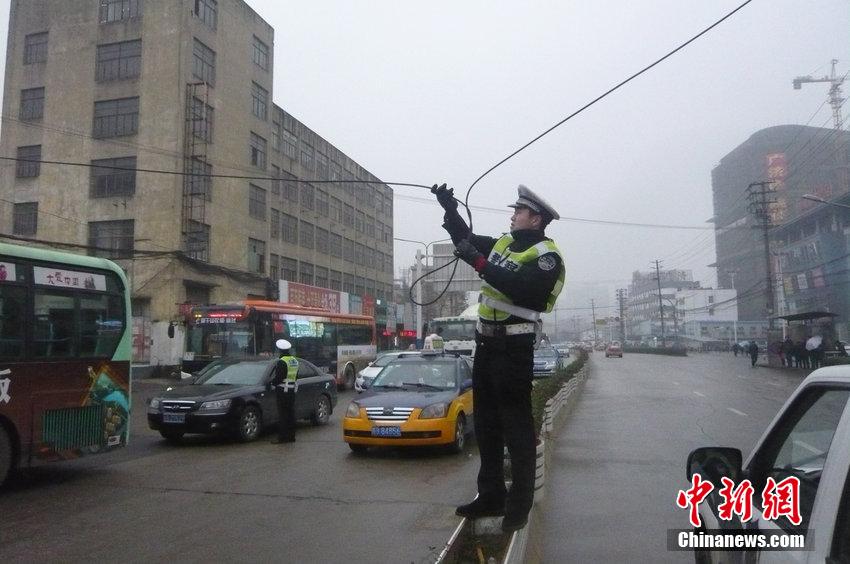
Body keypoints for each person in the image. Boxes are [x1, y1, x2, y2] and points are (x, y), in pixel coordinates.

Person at [433, 182, 564, 533]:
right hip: (487, 345)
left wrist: (477, 261)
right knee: (487, 425)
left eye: (519, 211)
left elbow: (523, 289)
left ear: (535, 219)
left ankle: (518, 507)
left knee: (516, 427)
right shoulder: (505, 244)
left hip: (514, 349)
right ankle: (490, 495)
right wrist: (449, 209)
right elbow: (467, 239)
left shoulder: (546, 256)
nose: (513, 215)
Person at [271, 339, 299, 444]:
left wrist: (272, 383)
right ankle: (292, 436)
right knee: (291, 414)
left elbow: (279, 377)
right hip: (292, 390)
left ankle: (282, 438)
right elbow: (296, 376)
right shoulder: (294, 360)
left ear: (280, 350)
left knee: (283, 415)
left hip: (282, 391)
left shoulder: (282, 362)